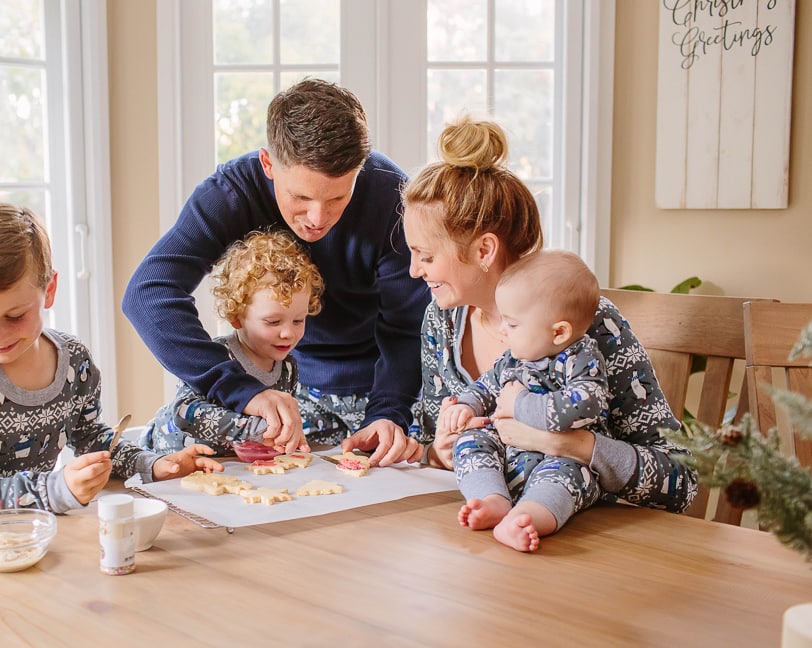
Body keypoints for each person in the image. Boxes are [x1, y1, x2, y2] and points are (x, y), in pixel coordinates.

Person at [403, 115, 698, 521]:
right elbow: (430, 449)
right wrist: (439, 450)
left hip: (580, 546)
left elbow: (681, 479)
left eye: (427, 255)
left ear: (484, 250)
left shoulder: (586, 324)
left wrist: (574, 446)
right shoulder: (442, 321)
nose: (414, 271)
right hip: (483, 543)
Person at [123, 78, 429, 465]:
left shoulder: (392, 197)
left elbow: (405, 328)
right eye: (300, 197)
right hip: (275, 383)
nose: (318, 219)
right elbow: (148, 293)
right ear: (268, 163)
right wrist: (240, 389)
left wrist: (389, 412)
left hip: (381, 385)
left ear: (360, 169)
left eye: (338, 197)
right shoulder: (231, 193)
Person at [0, 203, 222, 522]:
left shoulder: (74, 362)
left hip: (3, 529)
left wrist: (154, 465)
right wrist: (55, 490)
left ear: (49, 290)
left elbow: (91, 438)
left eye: (14, 316)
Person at [437, 249, 609, 551]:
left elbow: (583, 405)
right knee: (472, 440)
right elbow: (486, 386)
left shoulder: (581, 358)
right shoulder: (514, 359)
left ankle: (526, 516)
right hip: (508, 451)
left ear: (558, 332)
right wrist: (466, 405)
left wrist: (520, 404)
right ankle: (492, 499)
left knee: (568, 477)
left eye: (512, 324)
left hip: (560, 458)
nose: (503, 330)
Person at [139, 230, 324, 455]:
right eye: (273, 321)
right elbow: (185, 412)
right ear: (236, 317)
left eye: (298, 320)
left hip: (227, 463)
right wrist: (253, 429)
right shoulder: (217, 357)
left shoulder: (288, 367)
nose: (288, 333)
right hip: (174, 457)